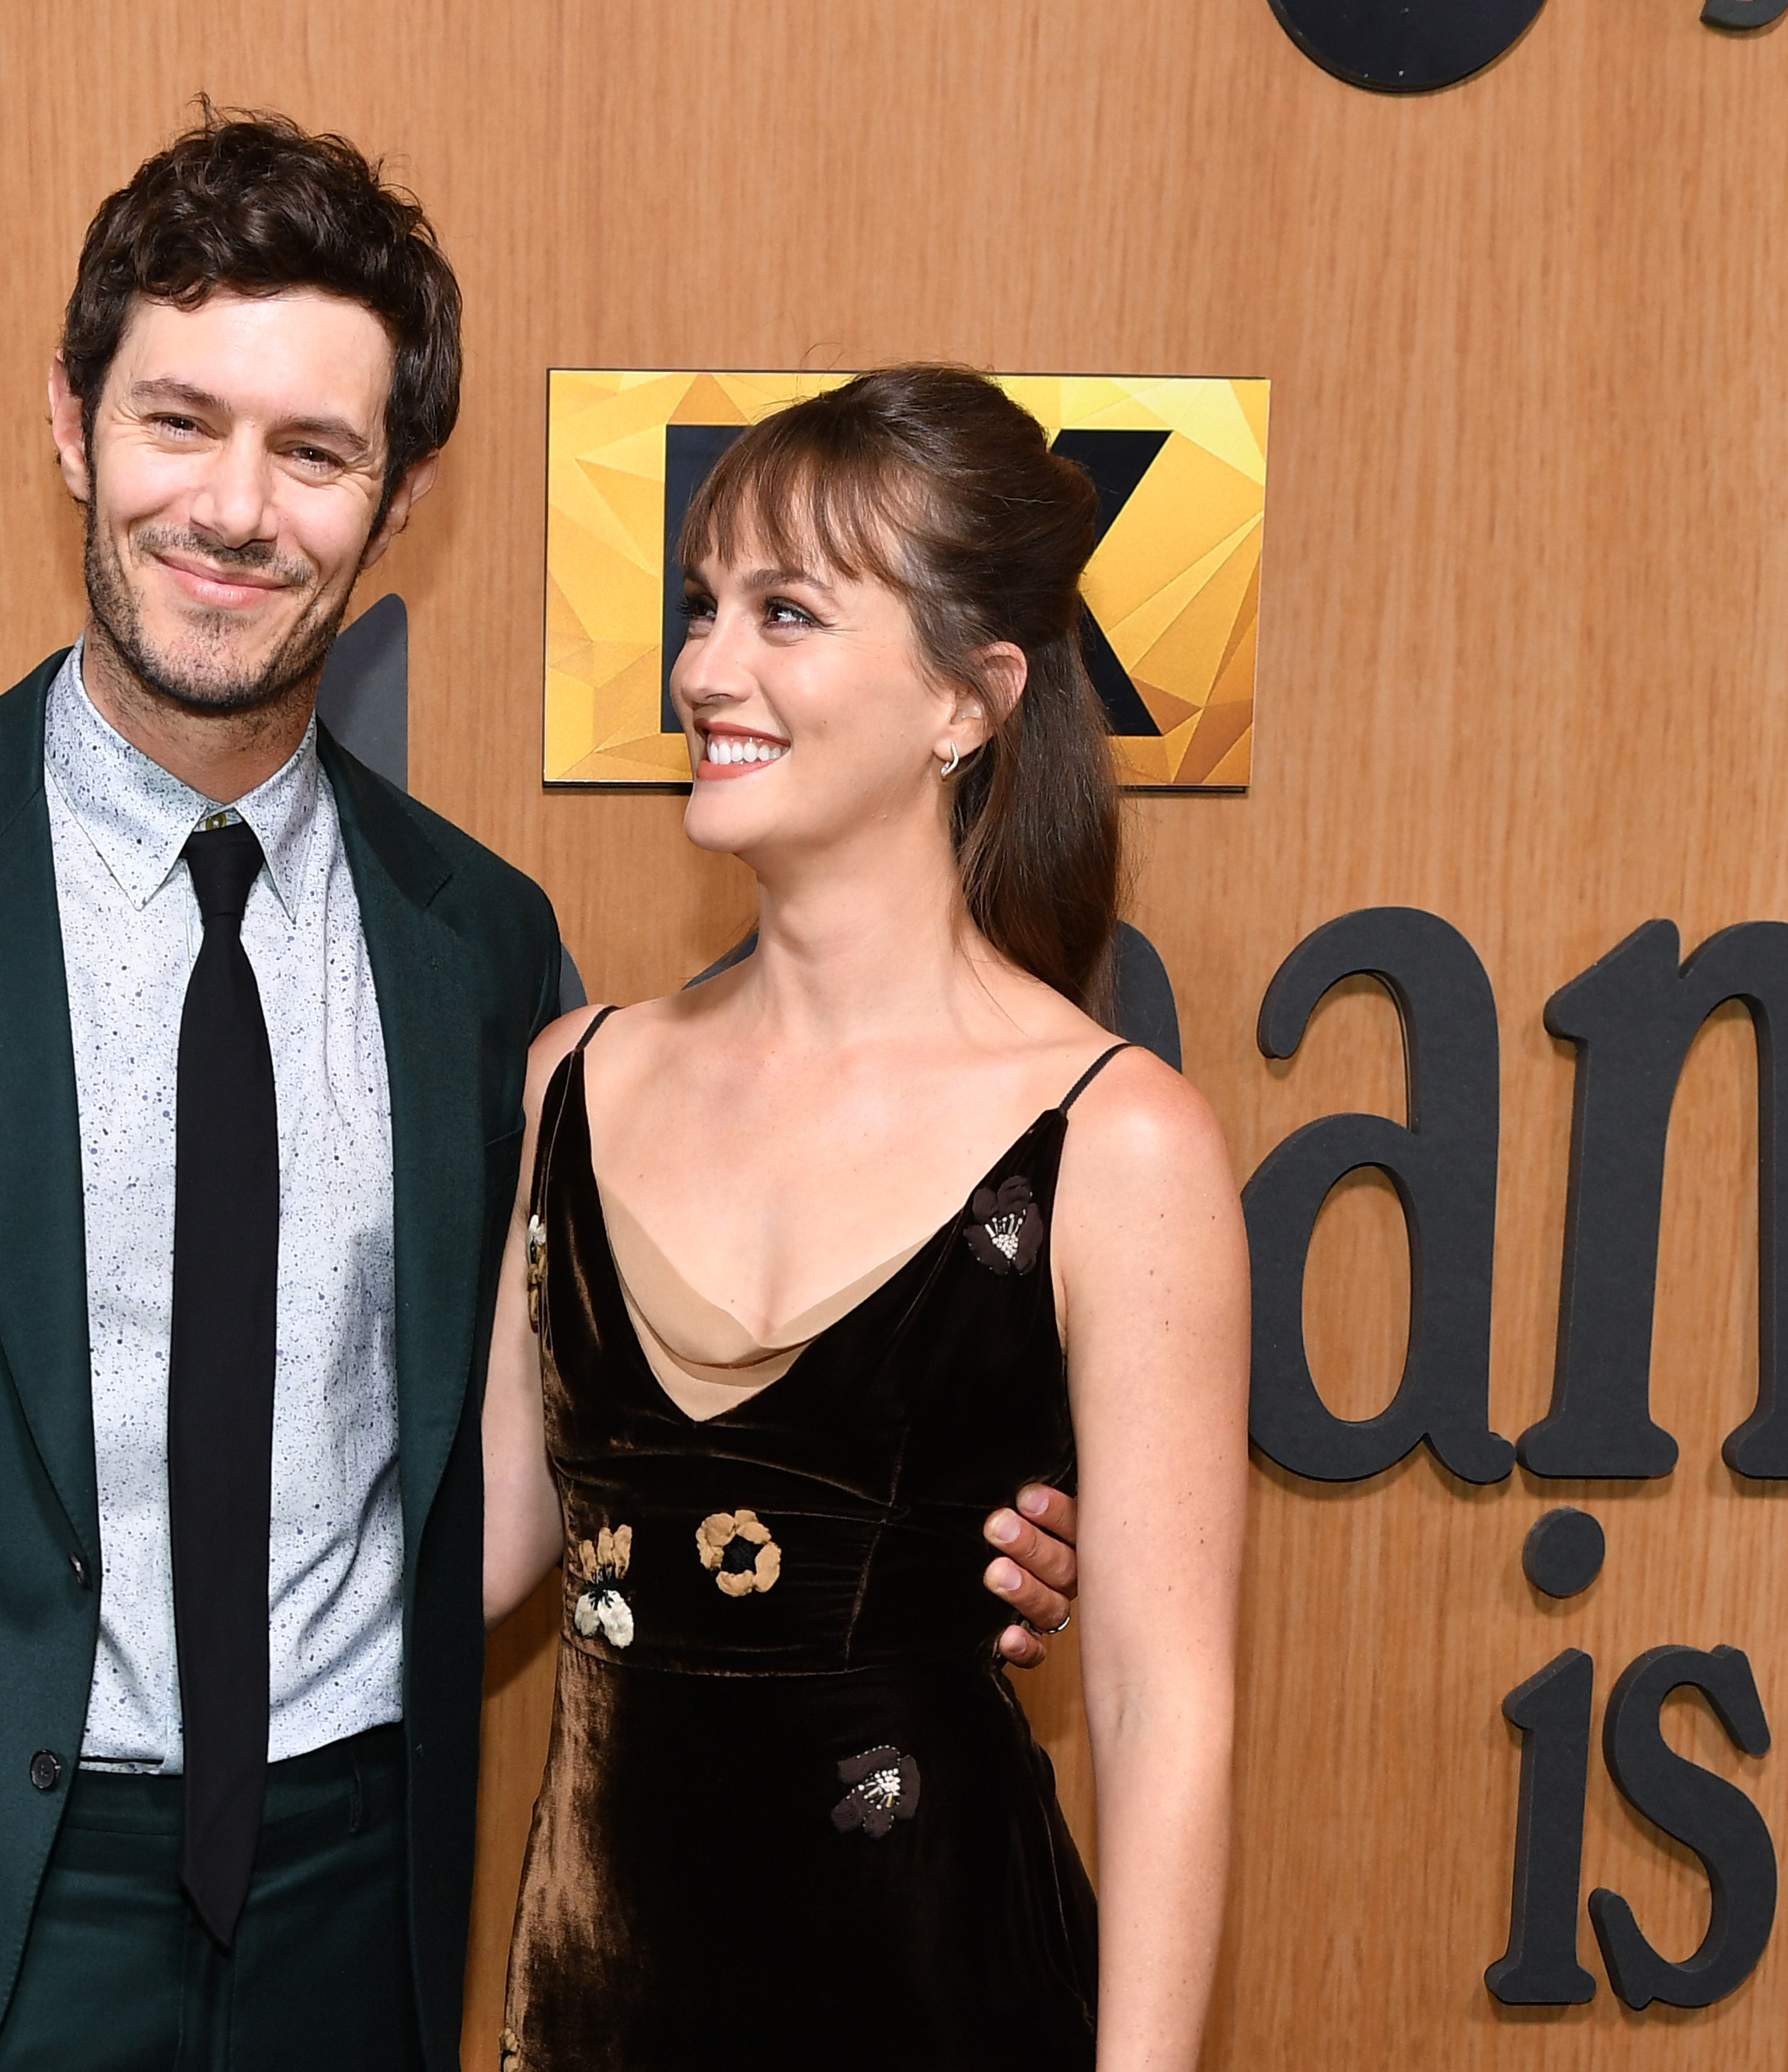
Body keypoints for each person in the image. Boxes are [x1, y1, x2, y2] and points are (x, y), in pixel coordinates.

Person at [0, 114, 1086, 2072]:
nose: (232, 510)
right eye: (178, 420)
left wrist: (948, 1530)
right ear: (68, 420)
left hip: (356, 1909)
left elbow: (598, 1435)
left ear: (395, 495)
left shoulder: (481, 955)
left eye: (315, 452)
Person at [482, 367, 1247, 2070]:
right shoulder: (571, 1082)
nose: (702, 670)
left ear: (966, 702)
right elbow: (475, 1548)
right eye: (697, 609)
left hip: (953, 2001)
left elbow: (1155, 1702)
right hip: (598, 2016)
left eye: (784, 613)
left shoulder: (1114, 1140)